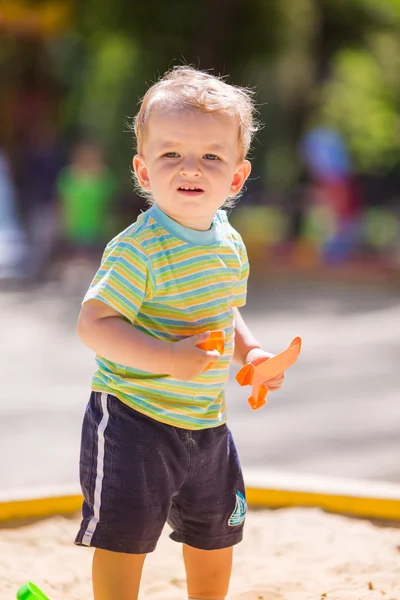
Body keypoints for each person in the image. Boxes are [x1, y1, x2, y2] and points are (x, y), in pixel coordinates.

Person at [74, 66, 285, 600]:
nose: (190, 167)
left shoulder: (229, 245)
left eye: (211, 156)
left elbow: (224, 311)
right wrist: (168, 358)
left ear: (236, 177)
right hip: (133, 418)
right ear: (143, 171)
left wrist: (252, 351)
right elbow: (93, 325)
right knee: (125, 537)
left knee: (216, 536)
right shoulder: (137, 249)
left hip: (205, 421)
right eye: (171, 154)